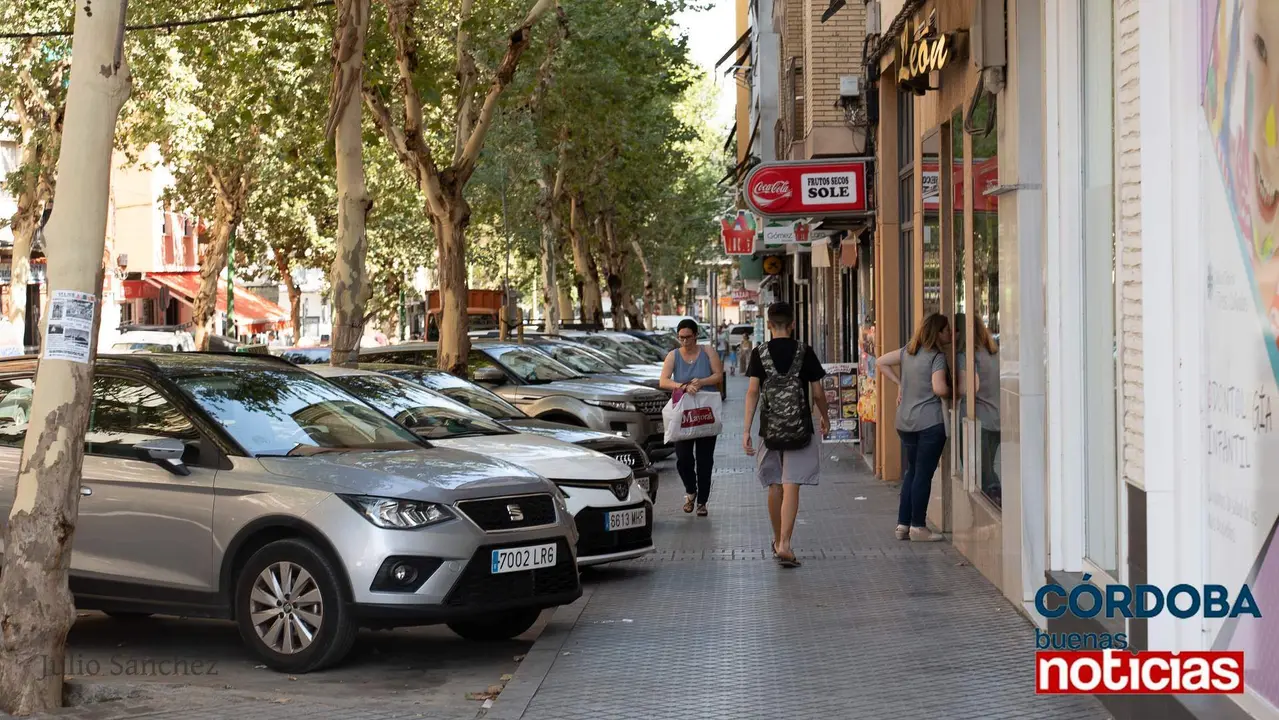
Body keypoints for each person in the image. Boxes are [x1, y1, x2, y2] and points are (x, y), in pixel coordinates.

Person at [743, 302, 829, 568]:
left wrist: (746, 429)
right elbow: (816, 393)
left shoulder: (760, 353)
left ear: (769, 325)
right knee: (792, 483)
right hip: (800, 428)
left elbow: (752, 392)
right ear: (792, 324)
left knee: (775, 484)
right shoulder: (805, 352)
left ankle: (776, 538)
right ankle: (785, 544)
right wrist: (825, 416)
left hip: (769, 429)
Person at [875, 313, 951, 542]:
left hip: (905, 422)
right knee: (923, 474)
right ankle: (919, 526)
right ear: (937, 333)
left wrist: (901, 384)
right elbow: (938, 389)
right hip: (929, 422)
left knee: (912, 472)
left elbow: (880, 362)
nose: (950, 334)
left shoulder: (909, 350)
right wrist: (955, 392)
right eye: (947, 330)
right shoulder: (937, 356)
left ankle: (903, 524)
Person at [660, 318, 725, 516]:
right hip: (683, 413)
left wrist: (701, 382)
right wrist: (682, 386)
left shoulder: (707, 352)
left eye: (688, 337)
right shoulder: (673, 356)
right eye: (681, 338)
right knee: (683, 458)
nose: (685, 341)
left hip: (705, 412)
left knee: (705, 460)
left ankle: (702, 502)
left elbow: (719, 375)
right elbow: (663, 381)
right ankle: (691, 490)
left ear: (696, 335)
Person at [956, 315, 1001, 504]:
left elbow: (968, 388)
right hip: (996, 419)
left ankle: (997, 504)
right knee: (987, 468)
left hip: (977, 420)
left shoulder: (966, 356)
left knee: (981, 475)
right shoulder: (993, 352)